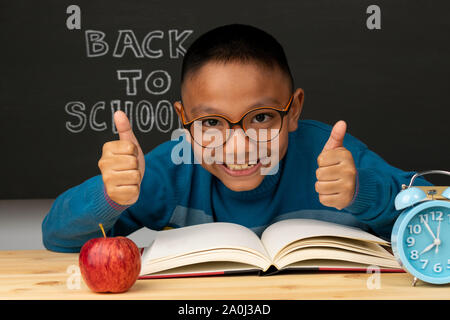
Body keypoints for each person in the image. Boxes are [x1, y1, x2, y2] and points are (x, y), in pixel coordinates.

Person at [42, 24, 431, 252]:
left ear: (293, 110)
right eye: (211, 123)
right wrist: (109, 197)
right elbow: (57, 237)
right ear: (184, 118)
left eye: (261, 117)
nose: (239, 146)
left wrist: (363, 192)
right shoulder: (168, 170)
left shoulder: (332, 157)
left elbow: (437, 219)